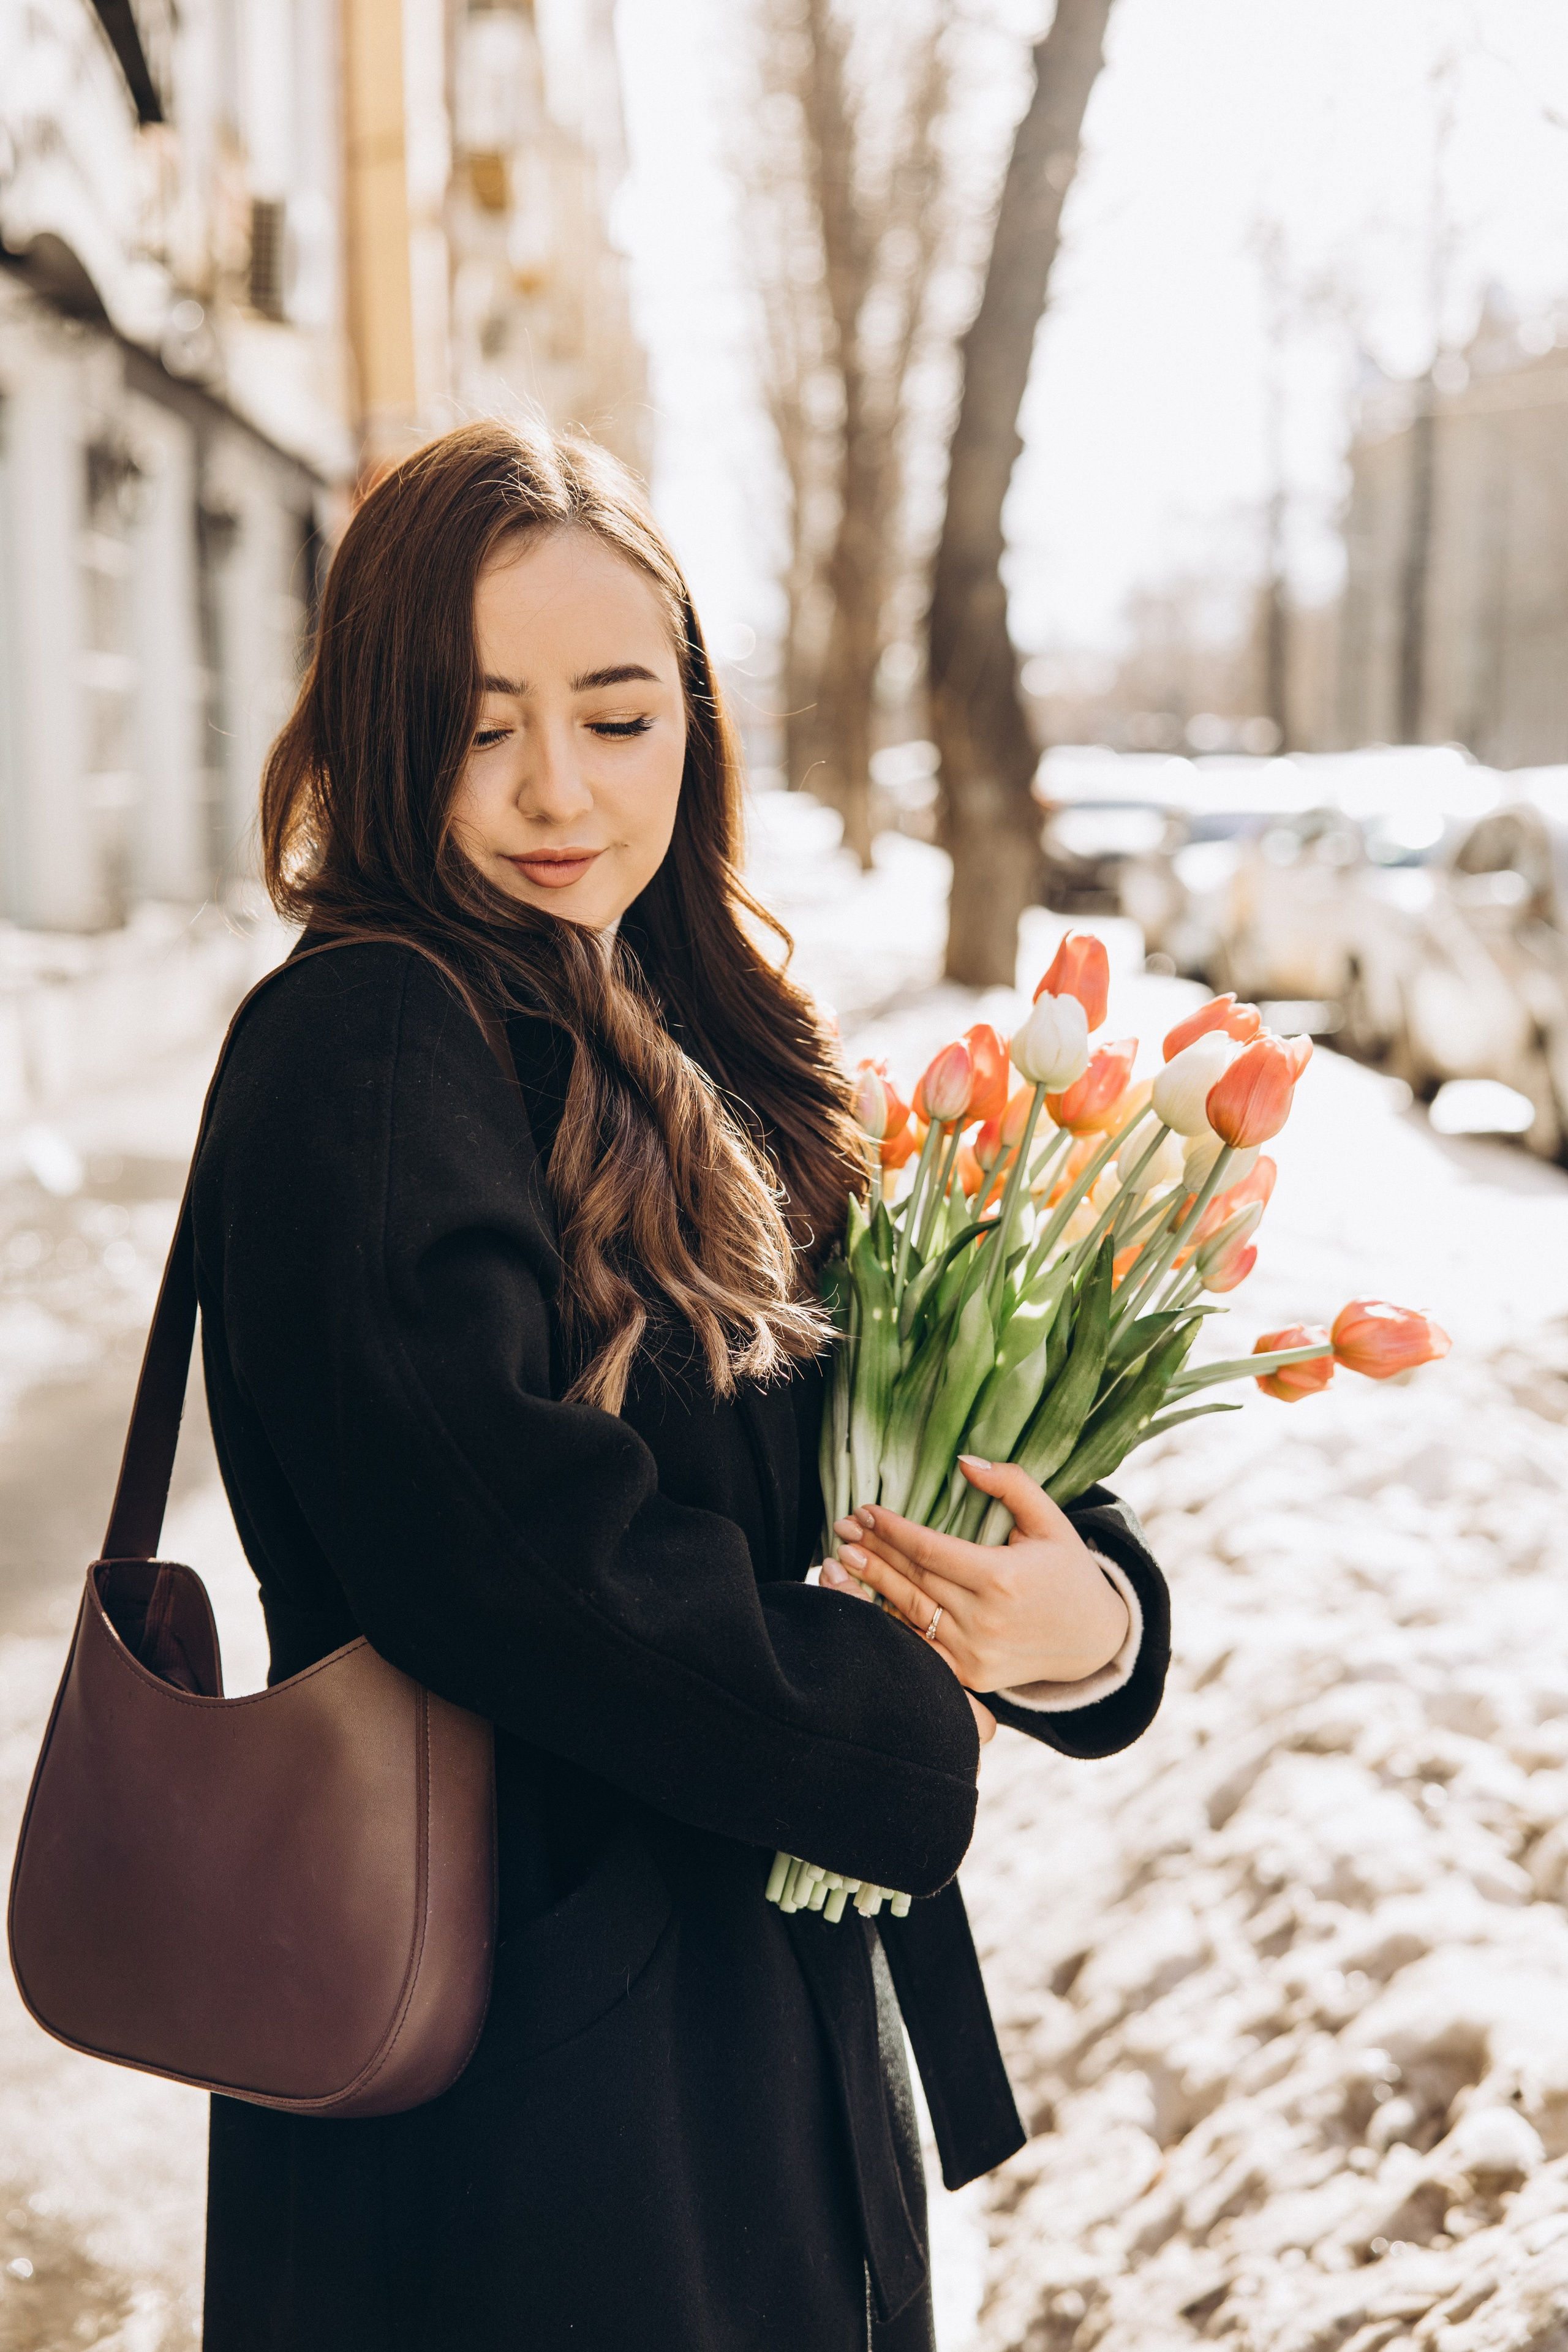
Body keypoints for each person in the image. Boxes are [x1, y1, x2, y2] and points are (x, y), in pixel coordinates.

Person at [194, 419, 1171, 2352]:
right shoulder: (373, 1039)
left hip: (747, 2029)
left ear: (693, 729)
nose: (557, 787)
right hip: (516, 2076)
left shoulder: (718, 1038)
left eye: (619, 717)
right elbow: (498, 1555)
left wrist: (1081, 1622)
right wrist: (888, 1720)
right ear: (379, 732)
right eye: (477, 726)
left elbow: (917, 1427)